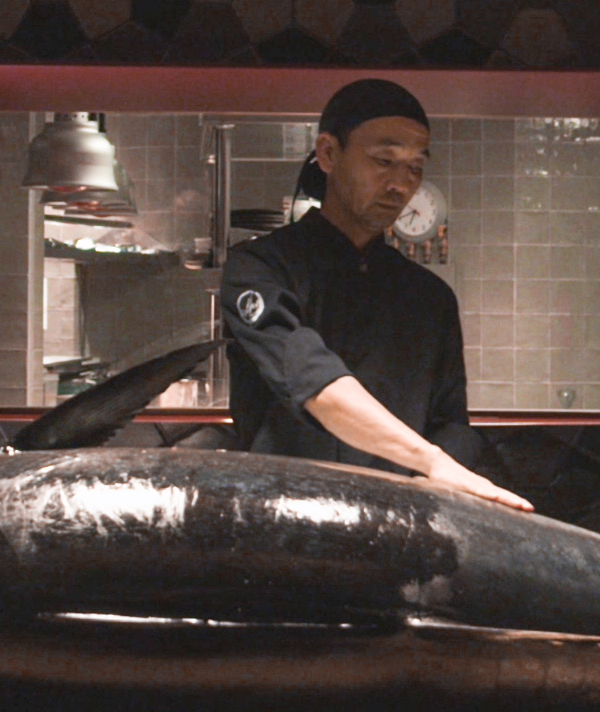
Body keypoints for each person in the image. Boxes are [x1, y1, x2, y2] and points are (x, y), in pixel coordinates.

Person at [221, 79, 534, 512]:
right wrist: (431, 461)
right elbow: (314, 382)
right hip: (282, 521)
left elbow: (452, 424)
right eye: (384, 161)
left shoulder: (430, 297)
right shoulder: (259, 268)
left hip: (396, 525)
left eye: (415, 167)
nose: (400, 185)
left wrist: (428, 488)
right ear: (328, 154)